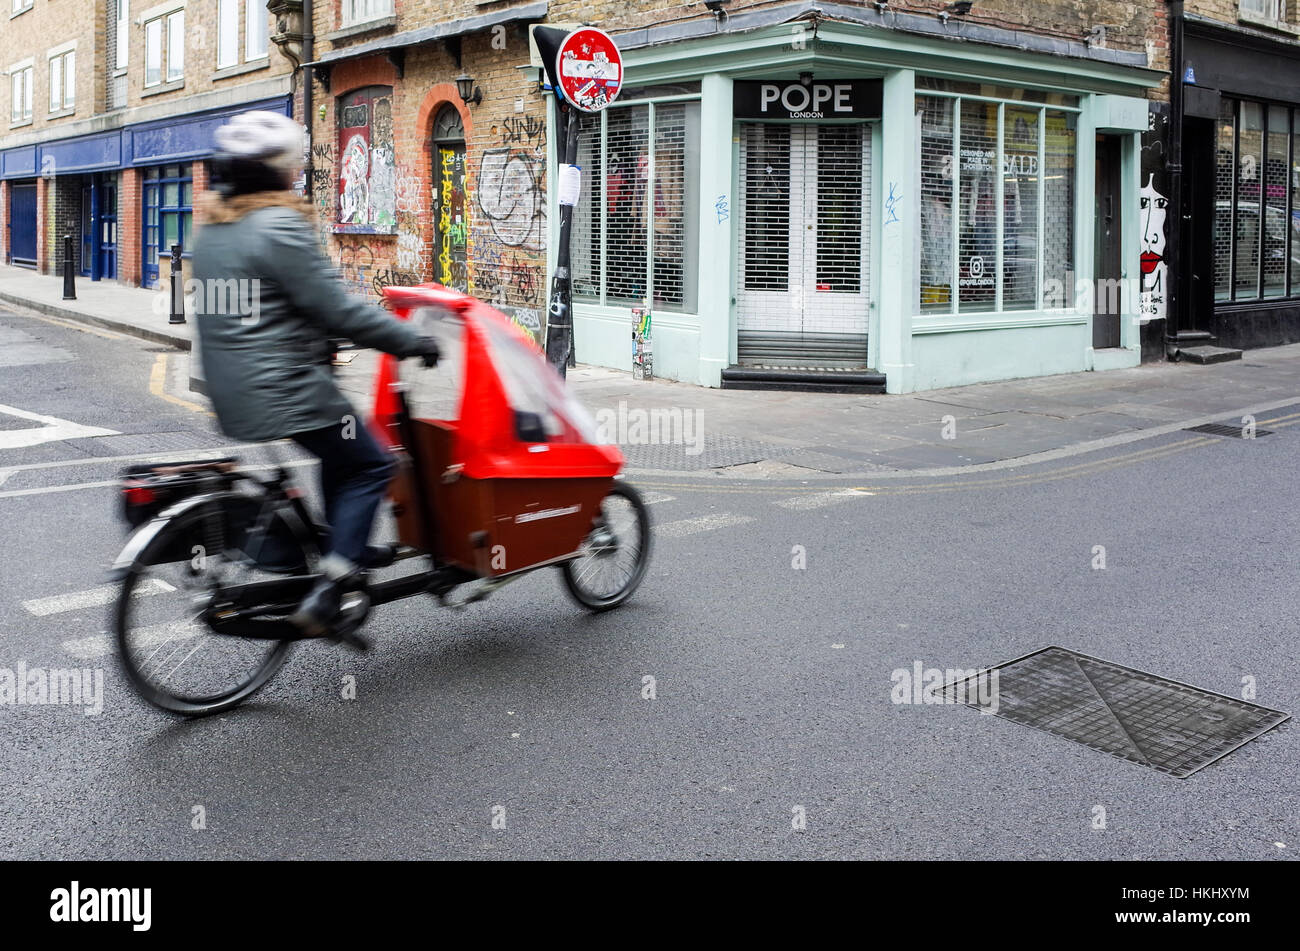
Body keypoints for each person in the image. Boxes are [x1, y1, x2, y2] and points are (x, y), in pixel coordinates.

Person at [191, 111, 440, 637]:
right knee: (373, 464)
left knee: (343, 446)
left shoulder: (214, 227)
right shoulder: (280, 225)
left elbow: (252, 306)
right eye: (293, 165)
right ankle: (331, 587)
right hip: (284, 391)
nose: (298, 172)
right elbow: (340, 311)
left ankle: (338, 543)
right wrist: (412, 340)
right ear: (278, 171)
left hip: (230, 388)